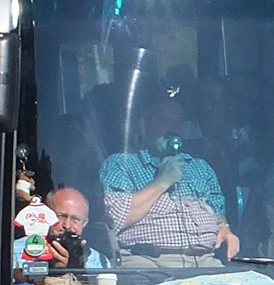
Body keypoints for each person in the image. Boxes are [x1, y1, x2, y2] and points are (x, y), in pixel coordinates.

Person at [99, 94, 240, 267]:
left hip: (204, 259)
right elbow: (114, 219)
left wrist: (224, 227)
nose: (172, 129)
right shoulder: (122, 164)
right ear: (144, 125)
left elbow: (218, 211)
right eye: (164, 121)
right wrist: (162, 181)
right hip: (148, 261)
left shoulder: (200, 167)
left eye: (177, 123)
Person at [13, 187, 109, 285]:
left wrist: (76, 268)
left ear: (84, 223)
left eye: (75, 219)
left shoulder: (99, 261)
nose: (67, 226)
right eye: (60, 216)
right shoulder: (16, 251)